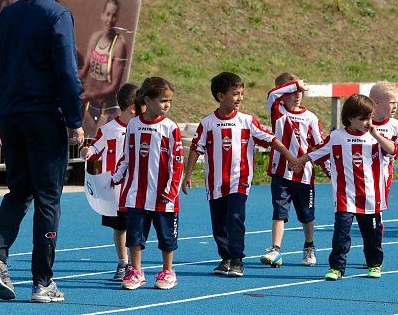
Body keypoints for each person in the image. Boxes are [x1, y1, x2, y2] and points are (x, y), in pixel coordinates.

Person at [0, 0, 84, 303]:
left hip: (10, 116)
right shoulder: (58, 15)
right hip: (44, 117)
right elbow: (67, 73)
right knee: (48, 197)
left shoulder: (7, 15)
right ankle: (42, 282)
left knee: (19, 190)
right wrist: (74, 120)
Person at [182, 72, 299, 277]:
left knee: (235, 218)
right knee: (219, 224)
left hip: (239, 181)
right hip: (215, 184)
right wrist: (188, 175)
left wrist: (290, 156)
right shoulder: (207, 123)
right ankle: (225, 258)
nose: (240, 98)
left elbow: (271, 139)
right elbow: (195, 148)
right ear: (220, 96)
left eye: (242, 93)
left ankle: (237, 260)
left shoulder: (247, 121)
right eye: (235, 94)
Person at [294, 94, 395, 281]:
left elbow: (392, 150)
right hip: (344, 196)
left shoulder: (376, 137)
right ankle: (337, 268)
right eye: (363, 119)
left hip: (370, 196)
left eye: (370, 117)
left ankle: (374, 264)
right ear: (350, 118)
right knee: (341, 234)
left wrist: (375, 134)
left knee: (372, 234)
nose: (368, 122)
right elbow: (317, 153)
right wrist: (298, 162)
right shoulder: (336, 137)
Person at [111, 76, 184, 290]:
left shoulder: (171, 128)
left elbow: (176, 161)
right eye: (162, 100)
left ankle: (168, 271)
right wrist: (117, 176)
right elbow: (126, 155)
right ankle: (135, 271)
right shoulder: (133, 124)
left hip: (163, 197)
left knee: (166, 238)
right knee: (134, 237)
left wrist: (171, 191)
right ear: (148, 99)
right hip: (136, 194)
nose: (167, 105)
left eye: (169, 101)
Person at [260, 73, 330, 268]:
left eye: (299, 91)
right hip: (280, 172)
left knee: (306, 214)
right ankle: (275, 248)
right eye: (292, 91)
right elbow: (272, 95)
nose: (297, 94)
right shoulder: (278, 112)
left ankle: (309, 246)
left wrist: (330, 169)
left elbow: (319, 146)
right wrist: (292, 85)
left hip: (304, 174)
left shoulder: (311, 117)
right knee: (279, 211)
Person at [80, 82, 139, 281]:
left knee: (136, 226)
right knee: (119, 227)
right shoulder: (109, 129)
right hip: (115, 190)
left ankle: (135, 264)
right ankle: (123, 263)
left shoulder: (144, 128)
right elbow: (95, 149)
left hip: (137, 187)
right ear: (133, 107)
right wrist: (87, 152)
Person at [359, 81, 398, 268]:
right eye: (391, 102)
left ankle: (373, 255)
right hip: (357, 177)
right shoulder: (362, 122)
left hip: (380, 179)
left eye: (397, 102)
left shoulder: (396, 125)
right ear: (376, 101)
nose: (395, 106)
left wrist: (393, 152)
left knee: (375, 216)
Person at [79, 0, 127, 137]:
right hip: (90, 103)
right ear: (102, 15)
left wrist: (90, 95)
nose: (110, 19)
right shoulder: (95, 37)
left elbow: (114, 85)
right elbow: (84, 70)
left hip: (107, 106)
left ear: (117, 18)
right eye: (107, 14)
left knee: (101, 144)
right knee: (85, 142)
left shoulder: (119, 45)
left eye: (114, 15)